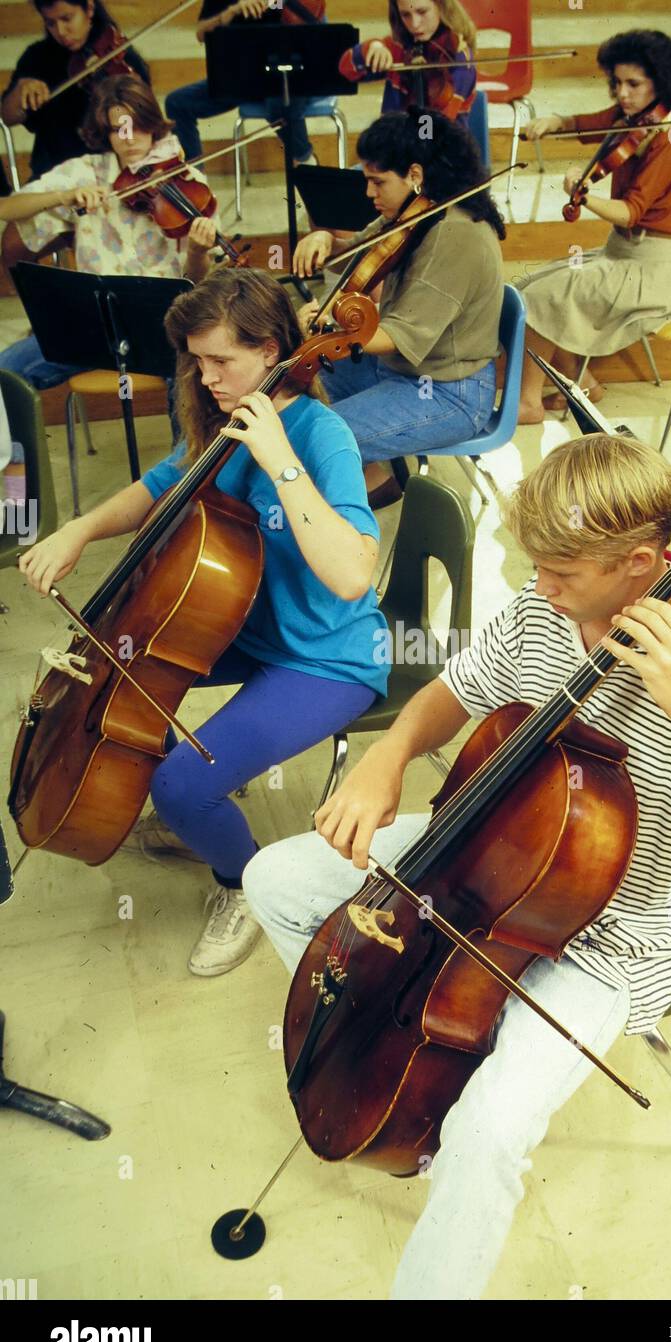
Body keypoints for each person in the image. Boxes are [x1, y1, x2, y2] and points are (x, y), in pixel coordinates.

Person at [243, 433, 671, 1299]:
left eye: (560, 572)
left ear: (640, 564)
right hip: (489, 854)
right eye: (536, 567)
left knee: (486, 1134)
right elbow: (456, 690)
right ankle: (397, 1038)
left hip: (612, 939)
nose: (540, 587)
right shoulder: (542, 604)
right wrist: (389, 755)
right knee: (276, 881)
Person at [18, 266, 390, 977]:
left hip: (326, 656)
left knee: (181, 785)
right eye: (196, 360)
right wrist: (77, 531)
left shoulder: (322, 435)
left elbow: (352, 575)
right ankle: (193, 810)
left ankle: (243, 884)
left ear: (272, 349)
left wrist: (280, 461)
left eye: (221, 360)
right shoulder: (222, 419)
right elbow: (156, 487)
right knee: (119, 675)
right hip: (241, 625)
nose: (206, 376)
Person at [292, 108, 504, 504]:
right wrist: (324, 239)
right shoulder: (416, 211)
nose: (368, 193)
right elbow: (357, 254)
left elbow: (398, 336)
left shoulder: (456, 235)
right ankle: (374, 480)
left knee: (317, 436)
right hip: (399, 370)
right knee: (296, 387)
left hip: (448, 392)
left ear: (415, 175)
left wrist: (326, 328)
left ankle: (338, 507)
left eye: (378, 182)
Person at [516, 30, 671, 423]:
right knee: (533, 286)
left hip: (655, 271)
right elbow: (590, 123)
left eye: (633, 84)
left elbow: (630, 212)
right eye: (616, 83)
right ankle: (583, 384)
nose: (622, 93)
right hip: (622, 253)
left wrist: (583, 196)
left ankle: (528, 402)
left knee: (543, 298)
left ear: (661, 82)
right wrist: (555, 121)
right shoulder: (634, 119)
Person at [0, 75, 217, 392]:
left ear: (152, 124)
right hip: (94, 328)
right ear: (105, 132)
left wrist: (197, 251)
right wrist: (63, 196)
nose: (129, 139)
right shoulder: (86, 171)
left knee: (186, 378)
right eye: (118, 129)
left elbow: (196, 282)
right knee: (6, 369)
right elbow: (6, 208)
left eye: (137, 126)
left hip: (164, 327)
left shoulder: (187, 182)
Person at [1, 0, 149, 179]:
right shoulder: (36, 58)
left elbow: (143, 120)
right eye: (50, 23)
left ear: (89, 8)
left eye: (67, 19)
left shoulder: (119, 56)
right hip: (53, 172)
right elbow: (5, 118)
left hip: (111, 172)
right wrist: (19, 93)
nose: (61, 31)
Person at [165, 0, 318, 171]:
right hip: (241, 76)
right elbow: (201, 34)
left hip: (285, 73)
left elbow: (313, 22)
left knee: (278, 102)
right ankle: (194, 177)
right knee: (177, 103)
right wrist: (230, 12)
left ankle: (303, 158)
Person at [339, 0, 477, 126]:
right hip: (396, 139)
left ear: (442, 6)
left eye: (422, 12)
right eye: (405, 15)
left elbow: (431, 131)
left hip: (442, 143)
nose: (414, 24)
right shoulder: (399, 47)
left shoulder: (459, 60)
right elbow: (347, 70)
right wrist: (375, 47)